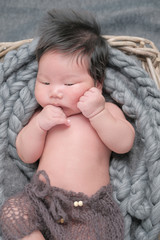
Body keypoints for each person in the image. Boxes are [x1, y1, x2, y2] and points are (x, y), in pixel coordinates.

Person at [0, 9, 135, 240]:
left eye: (69, 83)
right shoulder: (41, 116)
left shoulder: (107, 111)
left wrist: (98, 113)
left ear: (97, 83)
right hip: (41, 199)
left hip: (88, 209)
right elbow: (26, 154)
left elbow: (124, 144)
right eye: (45, 82)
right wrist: (39, 126)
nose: (55, 92)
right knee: (12, 212)